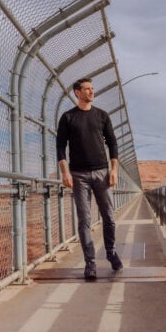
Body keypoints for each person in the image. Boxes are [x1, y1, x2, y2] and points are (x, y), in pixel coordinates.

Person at [56, 77, 122, 280]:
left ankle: (110, 252)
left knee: (109, 217)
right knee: (84, 220)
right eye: (87, 89)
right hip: (79, 175)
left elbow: (112, 143)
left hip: (102, 172)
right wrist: (65, 172)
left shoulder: (102, 116)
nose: (91, 92)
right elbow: (60, 147)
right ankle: (90, 264)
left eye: (92, 88)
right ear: (77, 92)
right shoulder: (68, 117)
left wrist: (114, 170)